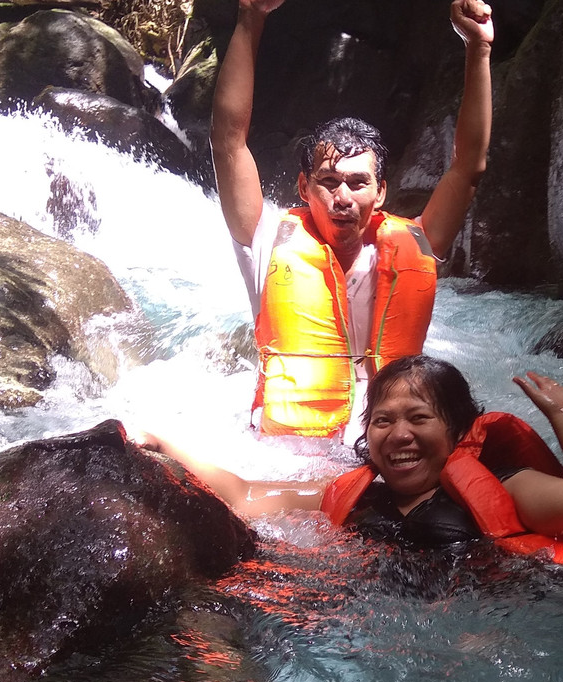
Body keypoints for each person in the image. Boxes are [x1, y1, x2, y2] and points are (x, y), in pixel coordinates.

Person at [210, 0, 494, 442]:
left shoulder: (418, 240)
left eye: (359, 183)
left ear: (380, 193)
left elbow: (468, 166)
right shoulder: (265, 238)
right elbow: (228, 140)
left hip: (393, 448)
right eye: (329, 181)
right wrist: (251, 15)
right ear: (304, 188)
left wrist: (479, 48)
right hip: (294, 454)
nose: (343, 197)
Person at [137, 356, 563, 549]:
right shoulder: (360, 495)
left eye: (419, 418)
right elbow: (243, 495)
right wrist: (162, 444)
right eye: (383, 420)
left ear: (458, 429)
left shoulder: (504, 485)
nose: (399, 435)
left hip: (472, 643)